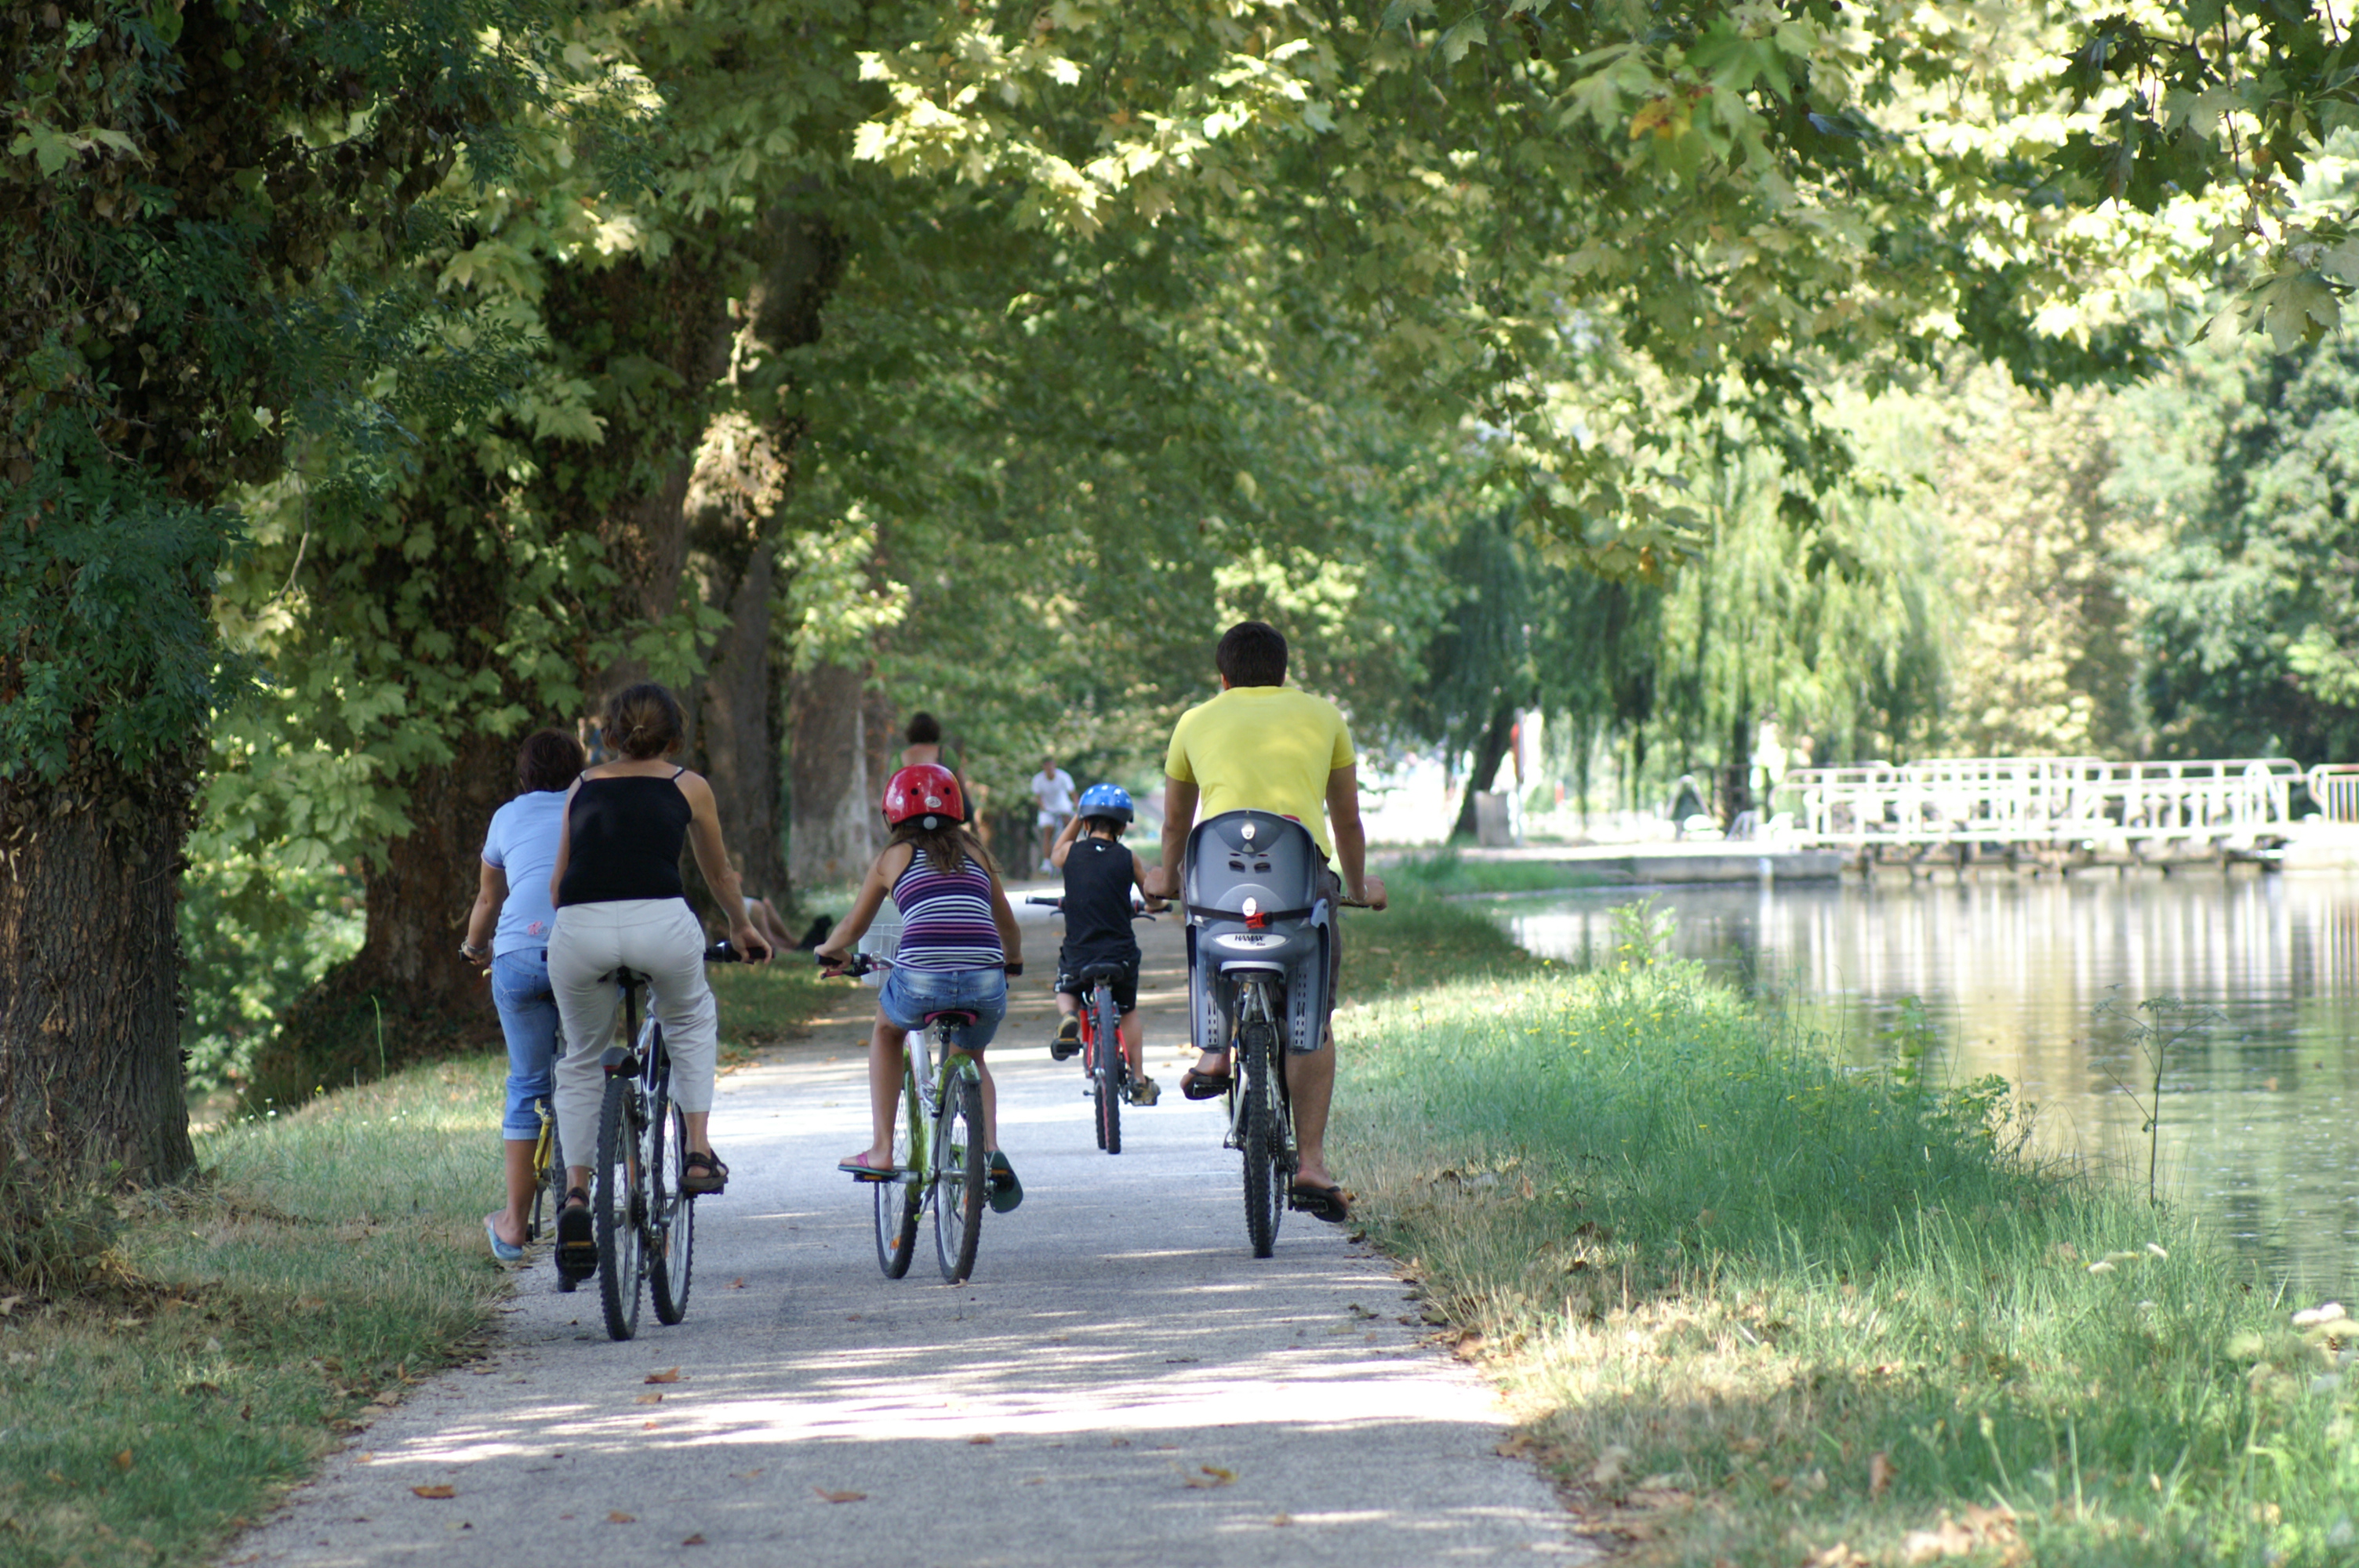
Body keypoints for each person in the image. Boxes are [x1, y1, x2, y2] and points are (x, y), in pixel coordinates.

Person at [1144, 621, 1387, 1223]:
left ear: (1223, 679)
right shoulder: (1323, 716)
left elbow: (1176, 828)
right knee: (1312, 1020)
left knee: (1203, 927)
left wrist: (1166, 879)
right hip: (1300, 885)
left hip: (1218, 888)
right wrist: (1358, 888)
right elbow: (1348, 822)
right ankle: (1311, 1163)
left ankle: (1215, 1053)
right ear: (1284, 673)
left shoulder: (1195, 721)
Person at [544, 682, 772, 1279]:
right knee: (691, 1015)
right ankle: (697, 1150)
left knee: (580, 1057)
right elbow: (720, 873)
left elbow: (557, 884)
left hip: (579, 928)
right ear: (675, 736)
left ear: (609, 735)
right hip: (661, 925)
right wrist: (743, 927)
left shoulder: (581, 785)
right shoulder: (687, 785)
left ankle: (574, 1195)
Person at [816, 764, 1026, 1212]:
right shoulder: (977, 852)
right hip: (985, 980)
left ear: (892, 813)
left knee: (886, 1030)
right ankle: (988, 1152)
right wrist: (1013, 961)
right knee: (973, 1057)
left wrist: (829, 950)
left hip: (920, 981)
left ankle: (881, 1149)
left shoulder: (892, 858)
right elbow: (1006, 919)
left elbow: (855, 926)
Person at [460, 728, 587, 1264]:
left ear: (524, 773)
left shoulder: (507, 816)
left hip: (515, 954)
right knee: (586, 1075)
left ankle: (513, 1224)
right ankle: (588, 1202)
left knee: (527, 1084)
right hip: (582, 951)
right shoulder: (591, 804)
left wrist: (473, 947)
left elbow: (489, 897)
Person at [1046, 783, 1163, 1106]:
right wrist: (1156, 904)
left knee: (1066, 989)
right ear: (1124, 827)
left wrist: (1077, 814)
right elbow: (1150, 898)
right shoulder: (1128, 857)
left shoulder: (1071, 852)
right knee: (1128, 1009)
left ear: (1085, 822)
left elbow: (1055, 852)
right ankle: (1138, 1077)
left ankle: (1069, 1016)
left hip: (1080, 952)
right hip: (1120, 953)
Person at [1030, 753, 1077, 872]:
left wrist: (1077, 805)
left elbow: (1072, 792)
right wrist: (1043, 807)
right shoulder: (1038, 780)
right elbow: (1038, 797)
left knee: (1069, 826)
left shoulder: (1064, 777)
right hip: (1048, 809)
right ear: (1043, 768)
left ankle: (1072, 853)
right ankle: (1046, 862)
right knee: (1047, 832)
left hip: (1063, 806)